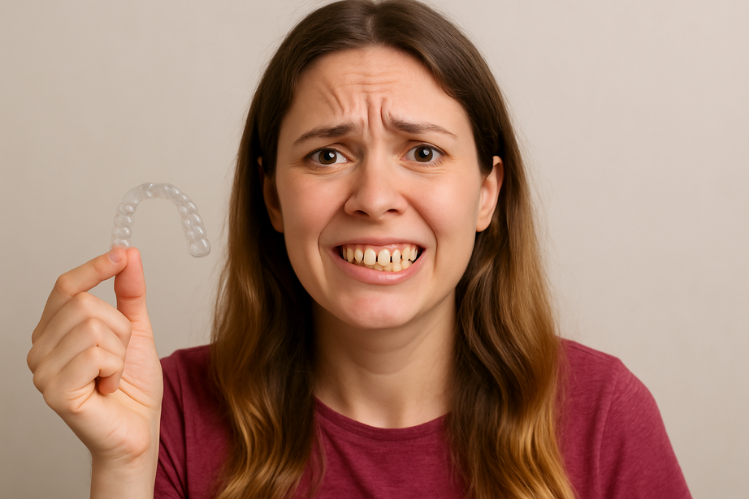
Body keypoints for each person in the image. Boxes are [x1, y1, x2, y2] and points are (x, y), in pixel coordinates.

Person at [27, 1, 693, 498]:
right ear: (272, 198)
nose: (374, 196)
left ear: (486, 192)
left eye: (423, 151)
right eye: (327, 154)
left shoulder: (604, 416)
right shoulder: (169, 410)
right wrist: (121, 469)